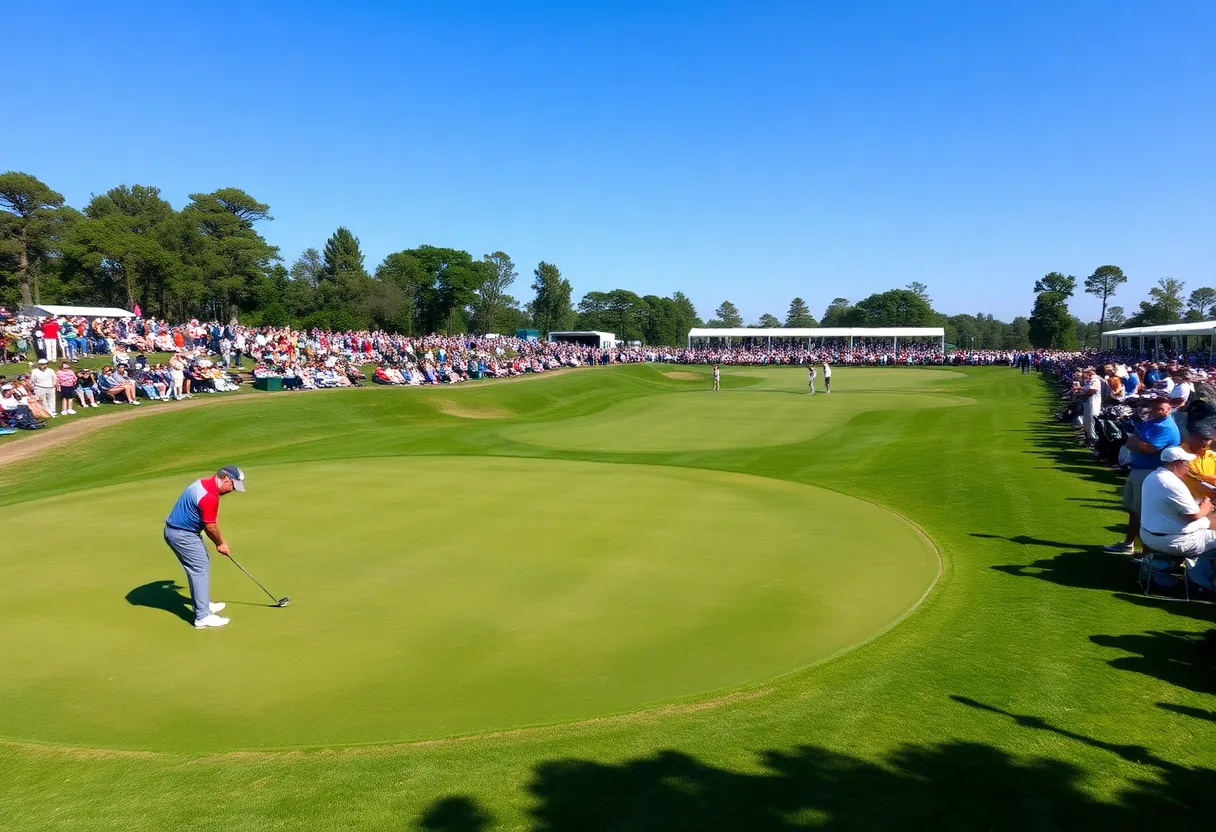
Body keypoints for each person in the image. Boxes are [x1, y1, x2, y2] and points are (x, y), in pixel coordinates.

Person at [163, 466, 247, 629]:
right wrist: (221, 543)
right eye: (233, 486)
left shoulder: (202, 483)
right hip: (182, 535)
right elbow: (210, 527)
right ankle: (202, 616)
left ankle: (202, 605)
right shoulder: (209, 496)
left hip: (180, 531)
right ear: (226, 479)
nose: (232, 491)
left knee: (201, 565)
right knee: (199, 568)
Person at [1105, 397, 1180, 554]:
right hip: (1138, 470)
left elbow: (1148, 449)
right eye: (1154, 408)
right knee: (1133, 510)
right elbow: (1133, 441)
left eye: (1161, 408)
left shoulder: (1166, 427)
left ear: (1169, 409)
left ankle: (1145, 551)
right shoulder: (1149, 422)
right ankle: (1129, 544)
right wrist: (1134, 442)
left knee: (1142, 512)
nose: (1157, 411)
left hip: (1151, 473)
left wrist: (1133, 442)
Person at [1138, 446, 1216, 590]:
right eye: (1186, 464)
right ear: (1177, 464)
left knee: (1209, 530)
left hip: (1150, 535)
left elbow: (1179, 506)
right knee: (1212, 536)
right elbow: (1194, 516)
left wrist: (1202, 503)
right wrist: (1207, 506)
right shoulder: (1173, 484)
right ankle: (1203, 581)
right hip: (1172, 540)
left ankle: (1162, 568)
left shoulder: (1153, 476)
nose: (1188, 468)